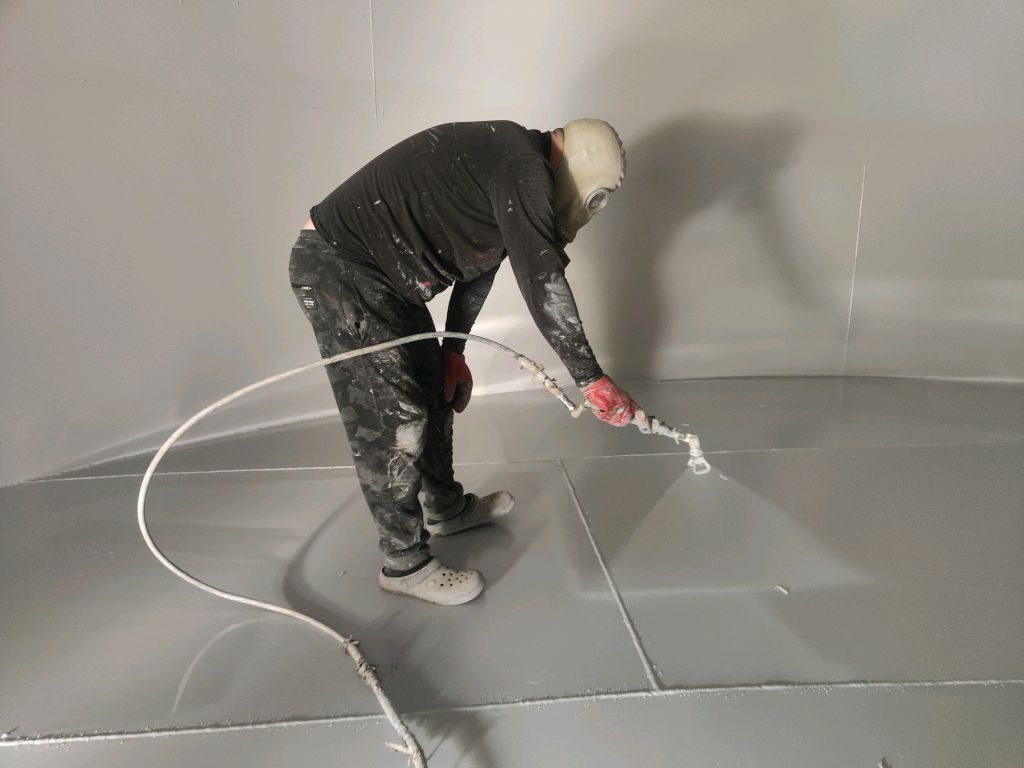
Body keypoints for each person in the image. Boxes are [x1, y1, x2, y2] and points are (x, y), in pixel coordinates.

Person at [288, 119, 640, 606]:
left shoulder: (509, 165)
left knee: (434, 387)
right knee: (394, 417)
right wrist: (590, 377)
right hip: (340, 267)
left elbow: (480, 270)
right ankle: (404, 564)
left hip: (378, 277)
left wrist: (453, 352)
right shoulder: (523, 166)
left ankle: (445, 510)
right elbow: (541, 277)